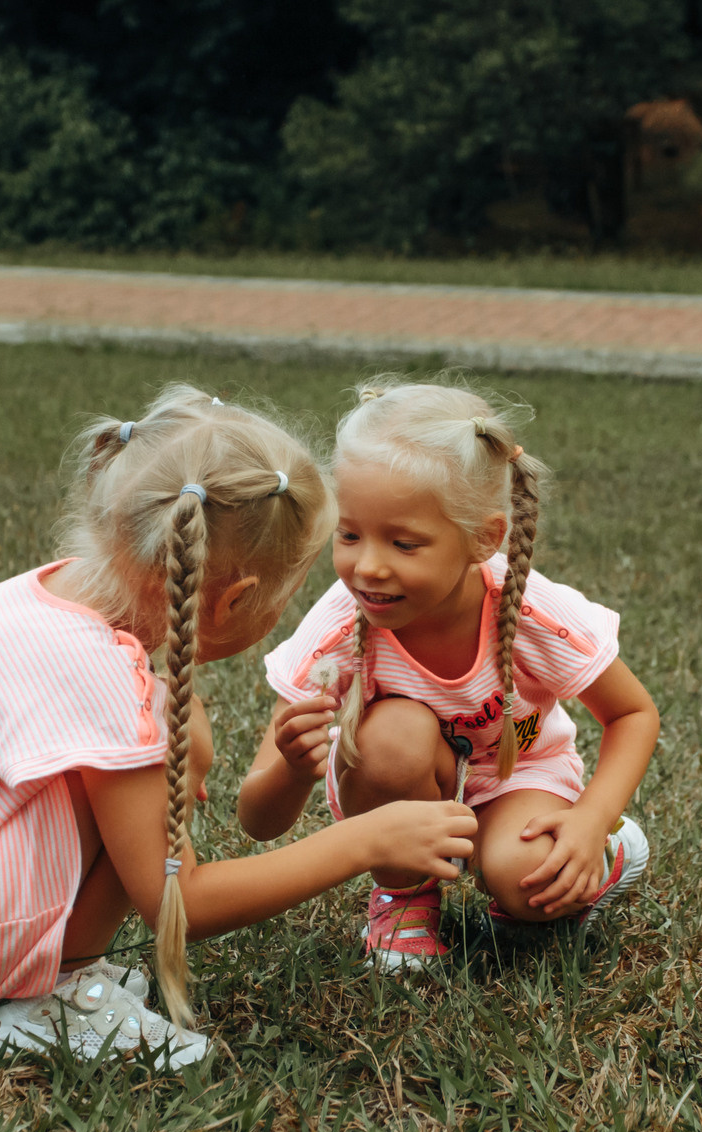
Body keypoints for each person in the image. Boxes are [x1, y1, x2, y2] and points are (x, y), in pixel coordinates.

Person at [0, 384, 476, 1069]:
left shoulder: (60, 597)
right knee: (157, 736)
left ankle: (58, 971)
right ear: (234, 601)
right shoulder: (93, 670)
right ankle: (37, 999)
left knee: (165, 729)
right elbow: (181, 901)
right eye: (287, 594)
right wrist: (366, 836)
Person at [238, 380, 660, 971]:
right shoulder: (338, 630)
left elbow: (633, 713)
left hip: (520, 773)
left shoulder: (533, 612)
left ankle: (615, 850)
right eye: (350, 534)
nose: (368, 566)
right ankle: (404, 898)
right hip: (401, 780)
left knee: (529, 885)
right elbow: (258, 822)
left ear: (483, 538)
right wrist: (290, 765)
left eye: (404, 543)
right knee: (391, 737)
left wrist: (589, 821)